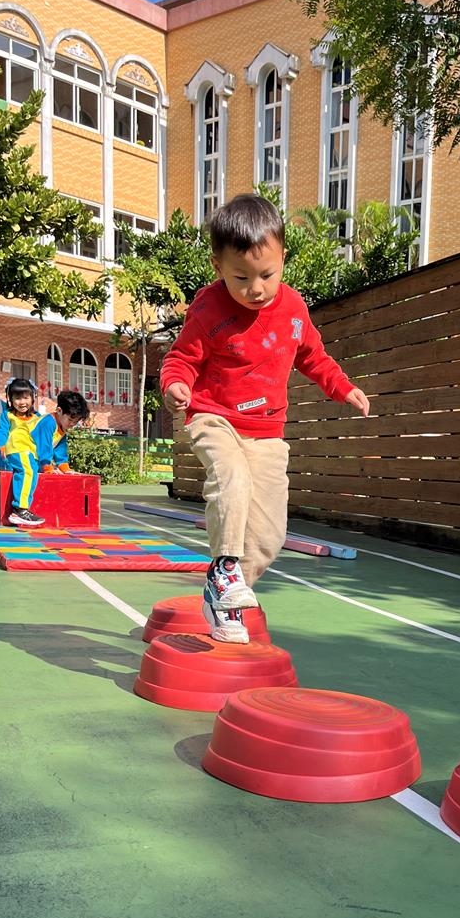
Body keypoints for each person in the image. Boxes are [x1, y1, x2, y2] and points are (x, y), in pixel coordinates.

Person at [161, 194, 370, 644]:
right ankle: (224, 572)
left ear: (282, 259)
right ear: (218, 266)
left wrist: (342, 387)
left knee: (269, 534)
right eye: (241, 277)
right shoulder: (209, 309)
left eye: (267, 275)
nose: (255, 288)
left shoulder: (293, 308)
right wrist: (175, 384)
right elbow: (180, 359)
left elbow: (313, 356)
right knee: (231, 479)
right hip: (214, 417)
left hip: (267, 431)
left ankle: (223, 596)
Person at [0, 378, 45, 526]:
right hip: (16, 449)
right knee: (27, 470)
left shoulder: (37, 417)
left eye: (26, 397)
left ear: (33, 398)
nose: (22, 402)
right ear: (10, 399)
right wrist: (2, 447)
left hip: (31, 453)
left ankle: (23, 508)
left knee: (33, 473)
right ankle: (20, 509)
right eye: (17, 398)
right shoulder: (8, 415)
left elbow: (43, 437)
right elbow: (2, 432)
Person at [31, 390, 89, 474]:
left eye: (76, 421)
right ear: (59, 411)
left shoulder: (62, 427)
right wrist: (47, 468)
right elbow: (44, 447)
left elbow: (60, 450)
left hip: (33, 459)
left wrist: (66, 469)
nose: (72, 424)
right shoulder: (48, 423)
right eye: (70, 420)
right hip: (22, 455)